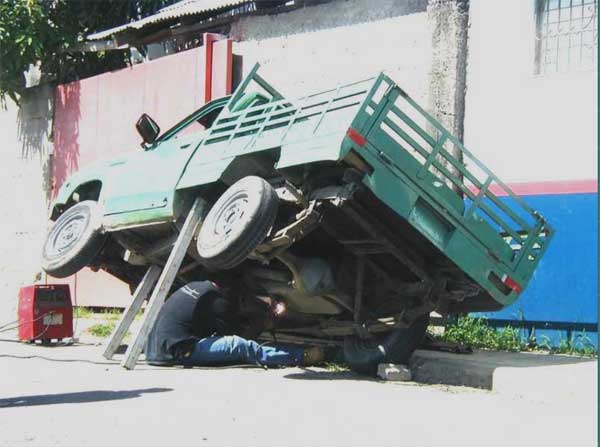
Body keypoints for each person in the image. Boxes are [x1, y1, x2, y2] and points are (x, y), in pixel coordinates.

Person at [144, 281, 325, 367]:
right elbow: (232, 332)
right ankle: (301, 356)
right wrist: (261, 324)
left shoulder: (197, 287)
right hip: (177, 351)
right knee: (238, 346)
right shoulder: (214, 300)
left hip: (156, 349)